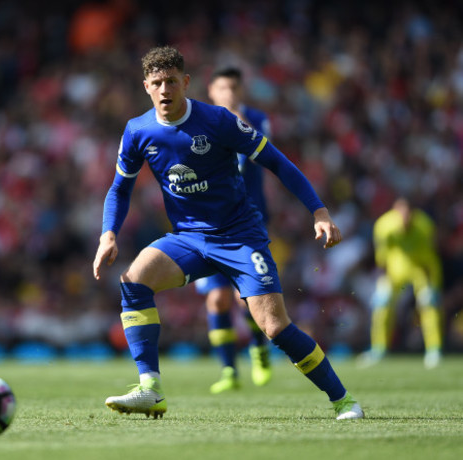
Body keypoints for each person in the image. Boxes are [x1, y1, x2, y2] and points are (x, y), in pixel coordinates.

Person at [92, 46, 363, 420]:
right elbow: (120, 189)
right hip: (188, 237)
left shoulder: (217, 120)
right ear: (146, 87)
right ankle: (150, 388)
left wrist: (318, 209)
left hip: (239, 236)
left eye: (172, 81)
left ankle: (344, 400)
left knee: (273, 326)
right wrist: (109, 234)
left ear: (185, 82)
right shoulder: (137, 131)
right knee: (134, 281)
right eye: (157, 83)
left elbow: (276, 162)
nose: (165, 89)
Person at [196, 67, 273, 393]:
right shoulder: (199, 121)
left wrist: (239, 122)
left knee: (246, 300)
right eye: (222, 88)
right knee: (216, 299)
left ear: (241, 92)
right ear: (211, 92)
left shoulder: (257, 119)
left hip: (247, 220)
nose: (228, 94)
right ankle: (229, 370)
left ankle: (258, 347)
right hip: (209, 223)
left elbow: (259, 157)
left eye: (233, 88)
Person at [359, 197, 443, 369]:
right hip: (395, 268)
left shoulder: (424, 226)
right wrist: (383, 282)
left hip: (421, 267)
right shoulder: (384, 226)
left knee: (428, 306)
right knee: (382, 306)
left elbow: (429, 257)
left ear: (413, 214)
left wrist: (430, 286)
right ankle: (378, 349)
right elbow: (382, 257)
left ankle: (434, 350)